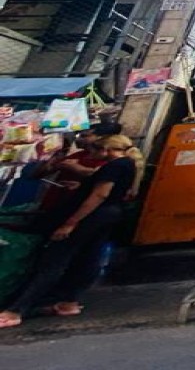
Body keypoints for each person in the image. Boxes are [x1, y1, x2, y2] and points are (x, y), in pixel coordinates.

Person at [0, 135, 142, 329]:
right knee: (87, 258)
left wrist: (70, 223)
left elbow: (100, 194)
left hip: (92, 217)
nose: (90, 154)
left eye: (93, 150)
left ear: (106, 150)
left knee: (55, 259)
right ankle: (68, 301)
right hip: (106, 217)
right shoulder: (128, 165)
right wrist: (81, 187)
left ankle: (16, 310)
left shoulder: (114, 166)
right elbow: (106, 191)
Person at [32, 121, 123, 212]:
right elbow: (38, 174)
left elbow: (99, 176)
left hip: (73, 209)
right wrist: (50, 157)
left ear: (102, 138)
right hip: (51, 205)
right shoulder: (79, 155)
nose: (78, 139)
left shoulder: (111, 161)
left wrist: (75, 167)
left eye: (85, 136)